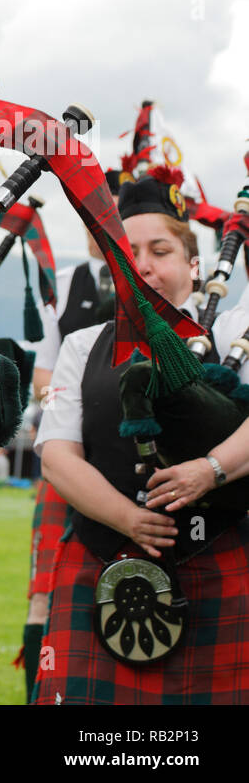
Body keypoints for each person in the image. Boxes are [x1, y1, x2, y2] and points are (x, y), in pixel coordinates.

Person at [33, 171, 249, 703]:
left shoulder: (231, 335)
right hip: (102, 555)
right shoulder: (83, 346)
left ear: (194, 266)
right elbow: (58, 457)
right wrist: (129, 519)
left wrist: (210, 469)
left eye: (162, 250)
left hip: (218, 559)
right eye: (130, 251)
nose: (145, 264)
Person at [20, 171, 122, 701]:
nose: (96, 228)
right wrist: (74, 421)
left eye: (107, 215)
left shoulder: (157, 283)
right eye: (90, 217)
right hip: (72, 454)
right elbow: (43, 372)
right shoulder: (65, 281)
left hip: (138, 462)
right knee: (46, 592)